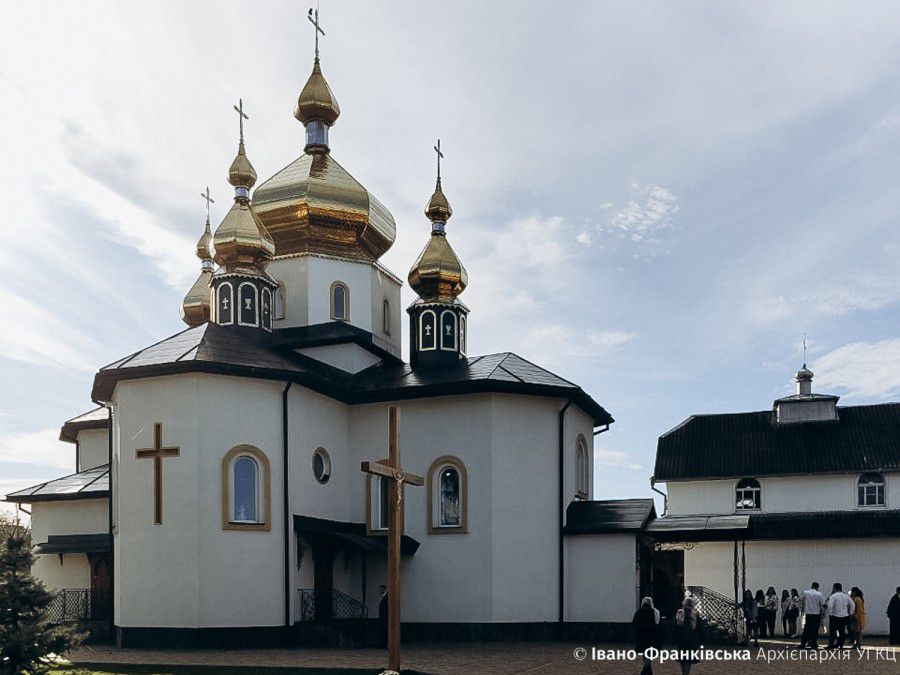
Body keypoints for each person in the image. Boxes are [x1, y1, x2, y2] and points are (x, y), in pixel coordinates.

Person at [633, 597, 662, 675]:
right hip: (652, 637)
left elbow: (634, 624)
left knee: (645, 654)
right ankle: (647, 670)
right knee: (649, 654)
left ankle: (646, 671)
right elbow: (659, 625)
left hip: (641, 637)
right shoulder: (655, 612)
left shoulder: (638, 612)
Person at [675, 596, 702, 675]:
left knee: (682, 657)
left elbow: (676, 626)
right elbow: (698, 627)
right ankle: (686, 673)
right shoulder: (695, 613)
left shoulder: (680, 612)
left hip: (681, 637)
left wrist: (675, 637)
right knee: (689, 658)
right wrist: (701, 638)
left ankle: (684, 672)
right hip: (691, 637)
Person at [826, 582, 854, 649]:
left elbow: (830, 606)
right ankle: (840, 644)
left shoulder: (833, 596)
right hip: (844, 616)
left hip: (835, 616)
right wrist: (850, 613)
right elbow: (852, 604)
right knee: (842, 631)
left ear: (835, 588)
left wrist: (830, 614)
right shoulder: (846, 596)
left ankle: (831, 645)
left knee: (833, 631)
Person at [799, 582, 825, 649]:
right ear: (817, 587)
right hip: (816, 614)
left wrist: (803, 608)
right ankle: (813, 644)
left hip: (808, 614)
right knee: (815, 630)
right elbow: (822, 604)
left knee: (806, 629)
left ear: (812, 586)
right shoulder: (819, 594)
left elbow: (800, 599)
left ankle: (803, 643)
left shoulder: (805, 592)